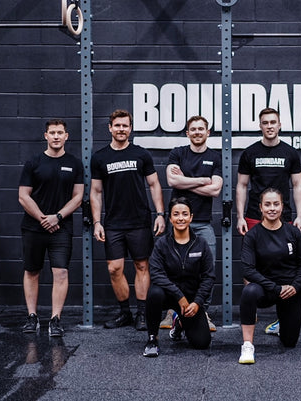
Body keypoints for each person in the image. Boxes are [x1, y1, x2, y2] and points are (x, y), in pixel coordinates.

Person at [90, 109, 166, 331]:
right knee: (114, 268)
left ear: (130, 129)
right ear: (110, 128)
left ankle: (142, 314)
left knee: (142, 265)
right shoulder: (100, 157)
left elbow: (154, 185)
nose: (121, 129)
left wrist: (160, 214)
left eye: (125, 126)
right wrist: (97, 222)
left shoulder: (141, 154)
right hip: (113, 223)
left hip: (140, 221)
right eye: (117, 125)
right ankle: (125, 313)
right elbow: (95, 192)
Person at [236, 107, 301, 336]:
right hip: (255, 217)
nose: (269, 126)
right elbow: (242, 186)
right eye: (265, 122)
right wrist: (239, 216)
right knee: (251, 269)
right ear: (260, 126)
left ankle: (280, 318)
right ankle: (251, 318)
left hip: (282, 217)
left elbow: (297, 185)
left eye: (273, 122)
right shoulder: (249, 153)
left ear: (280, 124)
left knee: (284, 265)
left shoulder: (290, 153)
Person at [18, 119, 84, 337]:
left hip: (61, 228)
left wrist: (57, 217)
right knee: (32, 271)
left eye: (60, 133)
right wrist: (42, 218)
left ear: (67, 136)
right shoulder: (33, 162)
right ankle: (32, 317)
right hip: (33, 227)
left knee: (61, 272)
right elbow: (23, 196)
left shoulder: (75, 163)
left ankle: (55, 319)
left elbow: (78, 197)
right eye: (52, 133)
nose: (56, 136)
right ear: (45, 136)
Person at [163, 115, 222, 332]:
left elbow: (216, 189)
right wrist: (201, 180)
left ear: (208, 132)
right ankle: (173, 312)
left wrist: (185, 181)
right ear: (187, 133)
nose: (197, 132)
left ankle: (202, 313)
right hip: (177, 224)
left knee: (207, 270)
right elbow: (171, 180)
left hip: (203, 223)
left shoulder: (215, 157)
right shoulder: (178, 153)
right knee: (173, 269)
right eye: (193, 129)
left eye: (201, 129)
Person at [238, 188, 301, 364]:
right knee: (248, 292)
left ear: (282, 207)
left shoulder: (293, 233)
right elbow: (248, 270)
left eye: (276, 204)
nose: (272, 208)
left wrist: (294, 286)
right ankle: (247, 345)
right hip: (266, 289)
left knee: (289, 343)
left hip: (290, 291)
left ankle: (283, 324)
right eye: (268, 204)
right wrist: (275, 288)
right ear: (261, 208)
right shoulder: (252, 235)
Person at [143, 197, 215, 357]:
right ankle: (152, 339)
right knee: (154, 293)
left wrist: (197, 302)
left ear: (191, 217)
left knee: (202, 343)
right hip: (168, 295)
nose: (180, 218)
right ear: (170, 218)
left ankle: (179, 323)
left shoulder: (201, 244)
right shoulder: (162, 244)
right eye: (176, 214)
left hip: (190, 300)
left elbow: (209, 277)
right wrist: (178, 296)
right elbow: (156, 274)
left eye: (184, 214)